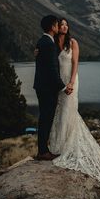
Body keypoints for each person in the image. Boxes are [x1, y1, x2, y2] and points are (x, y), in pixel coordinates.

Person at [37, 18, 100, 198]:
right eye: (60, 24)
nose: (63, 26)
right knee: (57, 113)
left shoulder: (73, 42)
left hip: (69, 82)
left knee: (68, 111)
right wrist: (37, 53)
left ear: (68, 27)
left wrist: (71, 82)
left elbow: (75, 64)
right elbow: (48, 60)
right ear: (55, 28)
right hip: (57, 83)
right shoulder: (52, 42)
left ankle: (66, 145)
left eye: (65, 24)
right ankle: (56, 146)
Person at [33, 15, 73, 161]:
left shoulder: (42, 41)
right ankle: (43, 152)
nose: (58, 26)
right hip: (47, 89)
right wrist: (64, 87)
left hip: (41, 87)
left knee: (45, 118)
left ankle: (43, 150)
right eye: (57, 24)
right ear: (52, 27)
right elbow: (51, 70)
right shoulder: (49, 44)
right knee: (46, 119)